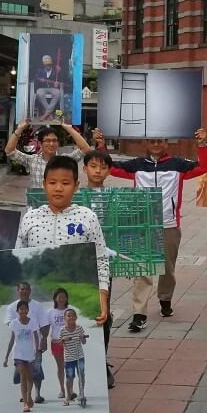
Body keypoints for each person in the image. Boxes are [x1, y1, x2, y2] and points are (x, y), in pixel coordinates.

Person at [2, 154, 110, 413]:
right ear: (43, 184)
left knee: (73, 356)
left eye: (65, 183)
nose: (58, 188)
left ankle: (75, 410)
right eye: (52, 182)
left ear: (76, 185)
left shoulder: (87, 217)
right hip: (37, 307)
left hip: (74, 305)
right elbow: (15, 259)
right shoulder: (30, 218)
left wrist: (102, 296)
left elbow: (100, 258)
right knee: (34, 361)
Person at [111, 130, 207, 331]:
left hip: (169, 224)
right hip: (143, 225)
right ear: (147, 143)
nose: (156, 144)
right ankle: (139, 314)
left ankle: (165, 299)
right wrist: (100, 146)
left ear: (166, 143)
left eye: (160, 141)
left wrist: (202, 145)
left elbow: (204, 167)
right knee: (142, 269)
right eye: (152, 141)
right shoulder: (137, 165)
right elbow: (110, 168)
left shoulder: (178, 165)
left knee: (167, 268)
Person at [81, 149, 117, 387]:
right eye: (93, 166)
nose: (98, 171)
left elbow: (119, 227)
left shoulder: (113, 197)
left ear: (109, 171)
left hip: (103, 263)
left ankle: (100, 361)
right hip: (78, 262)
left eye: (103, 167)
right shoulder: (76, 195)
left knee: (103, 312)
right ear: (85, 169)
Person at [5, 120, 92, 190]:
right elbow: (9, 151)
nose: (51, 144)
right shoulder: (32, 160)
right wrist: (19, 129)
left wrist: (69, 129)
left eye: (54, 141)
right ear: (40, 144)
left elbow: (86, 149)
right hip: (38, 203)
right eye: (47, 141)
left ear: (58, 143)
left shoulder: (65, 160)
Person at [3, 282, 50, 405]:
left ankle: (37, 394)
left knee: (37, 369)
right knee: (23, 373)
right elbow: (10, 324)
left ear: (30, 291)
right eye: (22, 289)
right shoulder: (11, 307)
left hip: (35, 345)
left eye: (26, 289)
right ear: (18, 290)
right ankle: (25, 395)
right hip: (20, 346)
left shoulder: (38, 306)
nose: (24, 291)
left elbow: (44, 324)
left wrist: (44, 339)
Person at [4, 301, 41, 413]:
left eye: (25, 308)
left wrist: (37, 351)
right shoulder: (14, 323)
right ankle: (25, 403)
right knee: (23, 376)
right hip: (18, 354)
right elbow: (12, 340)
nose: (23, 311)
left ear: (28, 310)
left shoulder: (33, 322)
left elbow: (36, 337)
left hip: (30, 354)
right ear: (17, 311)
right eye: (21, 309)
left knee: (30, 377)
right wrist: (6, 357)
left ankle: (29, 396)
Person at [60, 308, 88, 407]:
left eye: (73, 315)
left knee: (81, 375)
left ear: (76, 317)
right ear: (64, 318)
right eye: (69, 316)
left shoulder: (79, 328)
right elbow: (60, 343)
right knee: (69, 377)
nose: (71, 317)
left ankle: (81, 393)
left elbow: (84, 342)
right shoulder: (62, 330)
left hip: (79, 356)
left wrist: (82, 338)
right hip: (69, 358)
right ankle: (68, 396)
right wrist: (63, 339)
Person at [47, 289, 70, 402]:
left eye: (63, 297)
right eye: (59, 297)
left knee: (69, 366)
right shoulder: (50, 312)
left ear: (66, 298)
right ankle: (62, 389)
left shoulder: (69, 311)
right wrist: (42, 340)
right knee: (61, 367)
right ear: (55, 299)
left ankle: (70, 390)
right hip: (56, 342)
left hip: (69, 343)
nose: (61, 299)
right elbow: (46, 328)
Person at [33, 54, 65, 120]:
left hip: (53, 88)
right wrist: (40, 81)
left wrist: (57, 83)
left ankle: (46, 114)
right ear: (44, 65)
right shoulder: (39, 71)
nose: (48, 66)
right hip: (42, 88)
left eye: (49, 65)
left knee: (58, 93)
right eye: (46, 65)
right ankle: (49, 114)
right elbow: (35, 79)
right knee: (39, 92)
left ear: (51, 65)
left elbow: (62, 81)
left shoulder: (56, 71)